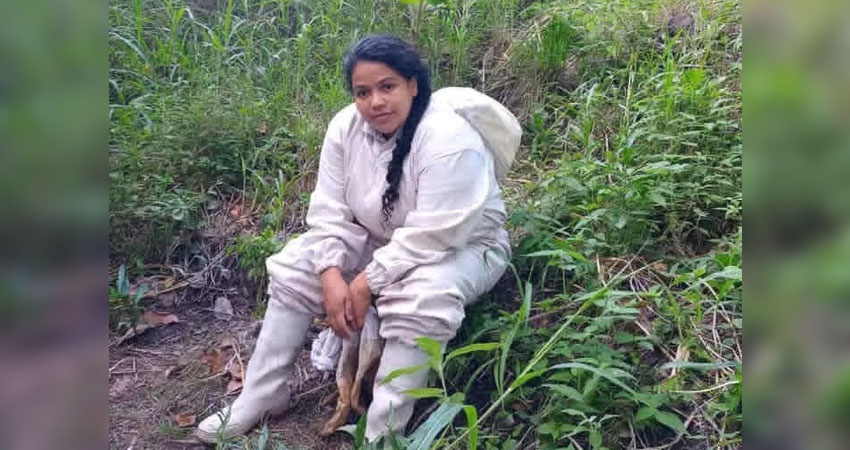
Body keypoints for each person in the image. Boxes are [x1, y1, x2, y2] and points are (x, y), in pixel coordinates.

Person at [195, 34, 511, 444]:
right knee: (295, 266)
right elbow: (330, 209)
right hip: (382, 240)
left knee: (421, 296)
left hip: (463, 247)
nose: (375, 101)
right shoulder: (346, 126)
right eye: (363, 92)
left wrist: (364, 283)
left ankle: (384, 430)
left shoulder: (449, 139)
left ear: (413, 84)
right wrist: (330, 273)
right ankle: (264, 393)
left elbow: (436, 234)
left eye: (387, 86)